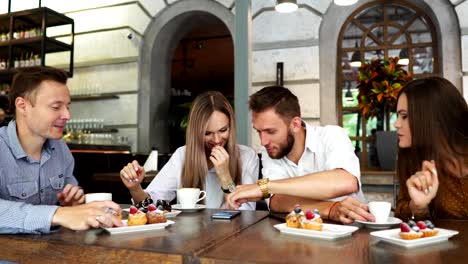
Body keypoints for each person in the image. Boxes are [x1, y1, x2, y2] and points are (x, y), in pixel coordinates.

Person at [0, 67, 122, 234]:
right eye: (56, 107)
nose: (67, 115)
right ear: (23, 106)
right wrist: (59, 214)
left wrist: (73, 204)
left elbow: (71, 205)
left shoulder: (60, 148)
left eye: (67, 107)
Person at [227, 86, 373, 224]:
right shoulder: (270, 150)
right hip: (300, 237)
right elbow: (277, 202)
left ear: (295, 124)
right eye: (258, 131)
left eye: (270, 132)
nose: (263, 141)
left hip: (353, 231)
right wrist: (330, 209)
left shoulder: (331, 135)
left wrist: (266, 186)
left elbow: (346, 181)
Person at [120, 91, 259, 210]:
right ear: (196, 132)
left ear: (231, 126)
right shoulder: (182, 155)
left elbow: (246, 215)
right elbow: (149, 208)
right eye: (207, 133)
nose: (217, 140)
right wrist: (135, 189)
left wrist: (225, 175)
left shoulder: (246, 156)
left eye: (223, 130)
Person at [394, 77, 468, 220]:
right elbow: (402, 210)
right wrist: (418, 206)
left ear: (432, 118)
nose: (396, 124)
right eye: (397, 116)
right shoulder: (416, 163)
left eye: (404, 116)